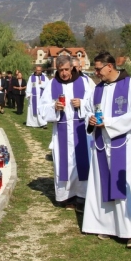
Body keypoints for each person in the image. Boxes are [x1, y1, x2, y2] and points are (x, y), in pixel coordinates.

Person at [83, 51, 131, 247]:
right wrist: (91, 119)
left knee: (128, 186)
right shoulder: (97, 89)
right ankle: (108, 226)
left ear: (110, 66)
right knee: (103, 184)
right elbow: (87, 109)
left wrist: (110, 123)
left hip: (125, 145)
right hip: (102, 145)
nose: (96, 73)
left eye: (98, 69)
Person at [39, 54, 94, 211]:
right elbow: (42, 108)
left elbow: (94, 102)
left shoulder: (83, 82)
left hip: (80, 130)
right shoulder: (51, 85)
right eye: (60, 70)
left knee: (82, 164)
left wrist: (82, 103)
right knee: (64, 164)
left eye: (66, 69)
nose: (63, 73)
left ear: (72, 68)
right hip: (61, 130)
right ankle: (66, 197)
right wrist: (54, 107)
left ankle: (82, 197)